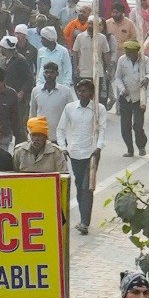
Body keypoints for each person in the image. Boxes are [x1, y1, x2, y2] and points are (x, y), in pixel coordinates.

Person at [57, 78, 107, 234]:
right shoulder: (70, 108)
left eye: (84, 91)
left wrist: (98, 147)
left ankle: (85, 222)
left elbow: (102, 129)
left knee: (87, 187)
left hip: (91, 153)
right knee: (80, 186)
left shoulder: (99, 109)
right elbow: (60, 129)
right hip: (75, 153)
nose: (81, 93)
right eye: (79, 91)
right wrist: (63, 147)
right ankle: (83, 216)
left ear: (92, 93)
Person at [113, 41, 149, 157]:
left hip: (139, 98)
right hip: (125, 97)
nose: (129, 55)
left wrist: (147, 78)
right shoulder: (122, 60)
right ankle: (130, 149)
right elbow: (117, 77)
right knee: (125, 127)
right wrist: (122, 89)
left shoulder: (145, 60)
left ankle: (141, 146)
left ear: (137, 52)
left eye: (131, 53)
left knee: (138, 125)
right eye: (127, 52)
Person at [28, 61, 76, 136]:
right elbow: (32, 113)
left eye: (52, 72)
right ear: (43, 74)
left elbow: (72, 114)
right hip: (41, 135)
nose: (49, 75)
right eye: (46, 72)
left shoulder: (66, 92)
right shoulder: (36, 91)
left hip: (60, 136)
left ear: (57, 74)